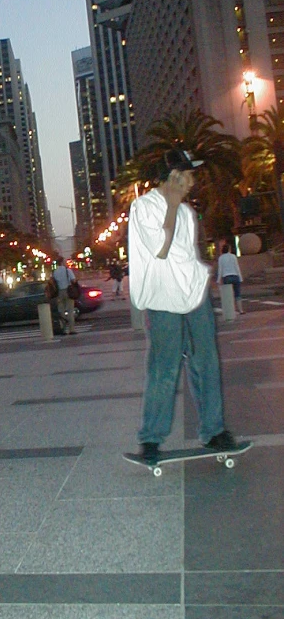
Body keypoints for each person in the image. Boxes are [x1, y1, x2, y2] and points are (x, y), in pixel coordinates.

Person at [128, 148, 237, 462]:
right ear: (172, 176)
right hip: (163, 298)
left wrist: (202, 280)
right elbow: (161, 249)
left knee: (207, 362)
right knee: (164, 367)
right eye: (188, 174)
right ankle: (151, 439)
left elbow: (186, 256)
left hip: (194, 296)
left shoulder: (189, 213)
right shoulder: (143, 207)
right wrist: (172, 205)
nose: (192, 181)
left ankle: (214, 431)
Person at [217, 243, 244, 314]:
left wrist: (218, 280)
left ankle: (232, 310)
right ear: (229, 249)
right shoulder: (233, 256)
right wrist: (240, 277)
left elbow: (220, 269)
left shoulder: (221, 258)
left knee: (229, 295)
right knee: (237, 294)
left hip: (226, 277)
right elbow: (237, 267)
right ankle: (240, 310)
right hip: (235, 276)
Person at [52, 258, 77, 334]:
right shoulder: (67, 270)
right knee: (70, 310)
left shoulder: (55, 272)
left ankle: (63, 329)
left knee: (61, 311)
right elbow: (73, 280)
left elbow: (53, 282)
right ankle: (71, 329)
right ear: (62, 262)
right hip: (68, 291)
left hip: (59, 292)